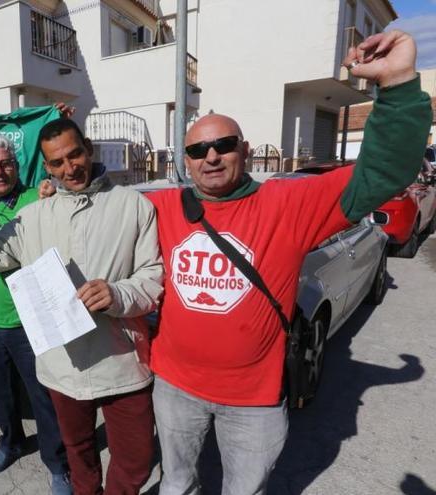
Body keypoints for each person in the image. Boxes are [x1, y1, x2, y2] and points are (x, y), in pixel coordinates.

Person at [142, 31, 432, 494]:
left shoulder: (290, 202)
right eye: (197, 150)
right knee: (177, 485)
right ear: (186, 162)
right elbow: (96, 217)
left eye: (224, 145)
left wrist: (396, 86)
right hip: (175, 387)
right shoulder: (162, 207)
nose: (211, 156)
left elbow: (385, 171)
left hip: (252, 400)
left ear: (247, 149)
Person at [0, 119, 164, 495]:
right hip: (62, 364)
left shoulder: (133, 205)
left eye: (75, 154)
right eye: (56, 162)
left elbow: (153, 275)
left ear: (88, 148)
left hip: (122, 359)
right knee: (78, 452)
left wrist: (118, 294)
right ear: (46, 166)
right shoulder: (33, 216)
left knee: (136, 459)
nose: (69, 168)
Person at [0, 136, 71, 494]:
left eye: (5, 163)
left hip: (30, 320)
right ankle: (10, 442)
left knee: (43, 396)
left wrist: (52, 192)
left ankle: (57, 463)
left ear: (16, 164)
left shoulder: (36, 198)